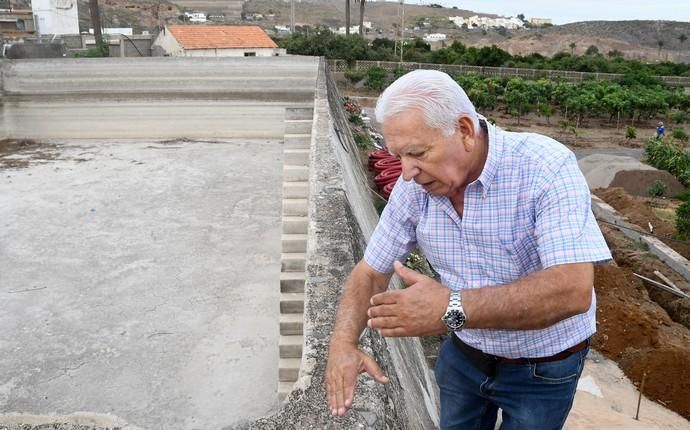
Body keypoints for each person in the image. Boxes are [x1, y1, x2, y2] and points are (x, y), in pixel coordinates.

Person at [325, 70, 611, 429]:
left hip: (543, 368)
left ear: (464, 130)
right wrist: (342, 344)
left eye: (417, 153)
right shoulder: (415, 187)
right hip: (464, 358)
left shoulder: (544, 169)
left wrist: (450, 308)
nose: (407, 171)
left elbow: (571, 291)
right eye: (398, 156)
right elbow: (371, 271)